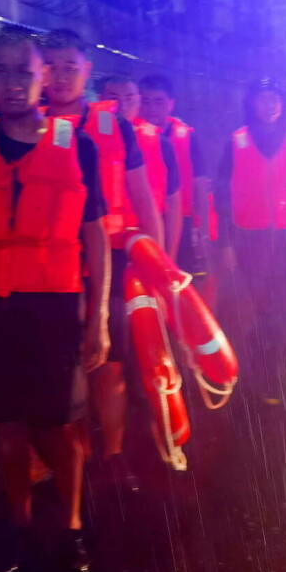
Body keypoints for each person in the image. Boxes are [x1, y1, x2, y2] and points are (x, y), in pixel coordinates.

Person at [0, 25, 110, 572]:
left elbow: (95, 236)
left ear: (46, 74)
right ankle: (18, 526)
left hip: (53, 308)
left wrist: (101, 318)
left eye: (26, 70)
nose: (14, 83)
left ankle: (70, 528)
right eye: (1, 71)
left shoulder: (78, 144)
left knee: (57, 427)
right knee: (7, 429)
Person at [40, 32, 162, 490]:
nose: (59, 76)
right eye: (50, 66)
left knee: (108, 365)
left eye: (69, 66)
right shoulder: (20, 125)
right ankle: (73, 457)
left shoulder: (116, 127)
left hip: (107, 260)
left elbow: (143, 199)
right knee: (61, 365)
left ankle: (111, 456)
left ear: (86, 72)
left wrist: (157, 268)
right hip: (46, 265)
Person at [215, 79, 286, 405]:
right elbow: (222, 197)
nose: (269, 105)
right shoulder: (236, 142)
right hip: (253, 239)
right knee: (263, 310)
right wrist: (225, 244)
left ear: (283, 103)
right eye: (263, 99)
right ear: (252, 103)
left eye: (275, 99)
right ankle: (265, 374)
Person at [96, 71, 182, 483]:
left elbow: (165, 202)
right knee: (112, 356)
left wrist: (163, 264)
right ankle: (112, 451)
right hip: (101, 256)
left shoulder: (157, 141)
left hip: (139, 257)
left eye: (129, 97)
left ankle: (153, 428)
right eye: (113, 97)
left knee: (146, 350)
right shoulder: (81, 135)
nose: (123, 105)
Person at [139, 75, 212, 273]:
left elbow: (200, 185)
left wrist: (203, 232)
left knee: (181, 279)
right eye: (145, 102)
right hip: (141, 220)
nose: (151, 108)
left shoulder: (187, 136)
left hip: (182, 220)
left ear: (171, 104)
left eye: (158, 102)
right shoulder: (130, 135)